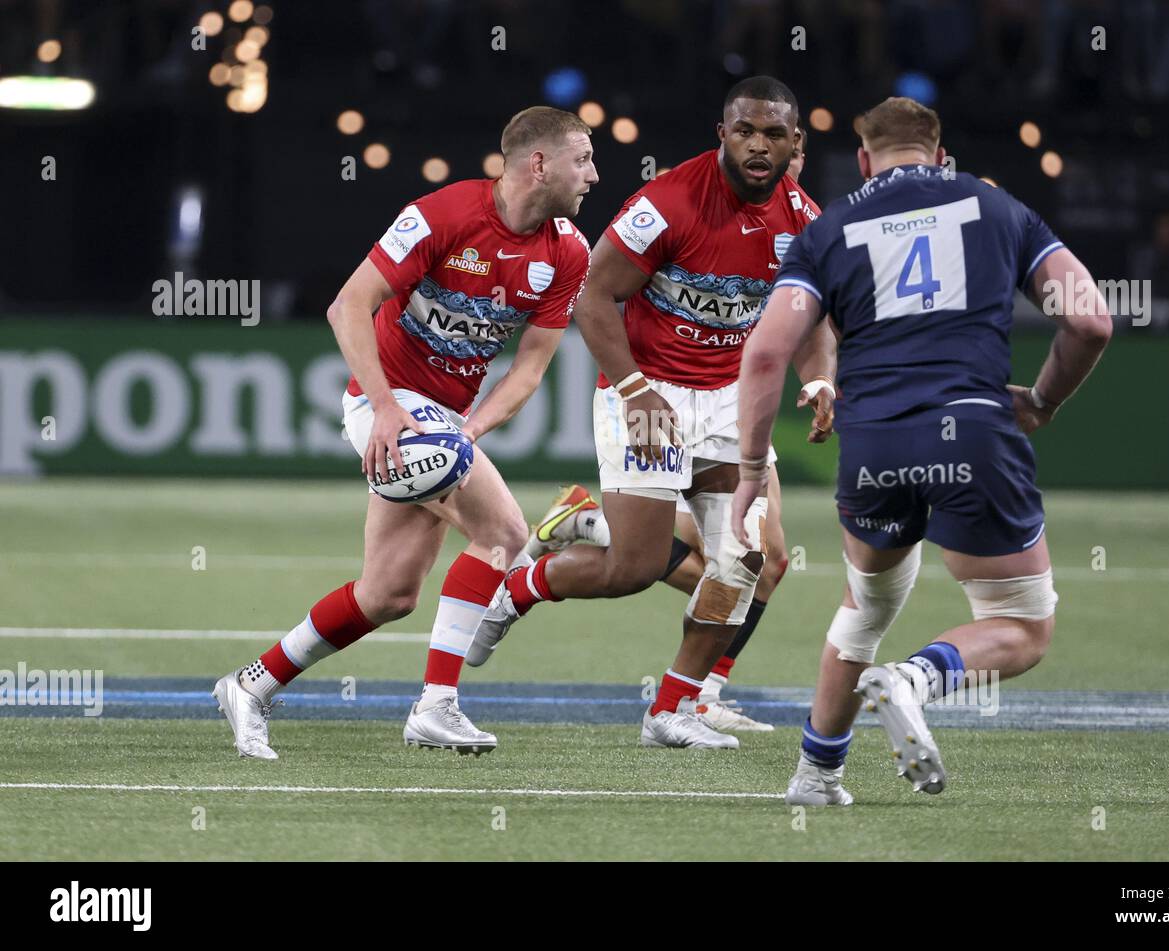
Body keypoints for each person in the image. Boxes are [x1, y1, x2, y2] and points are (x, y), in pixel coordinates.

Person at [731, 96, 1112, 803]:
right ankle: (917, 678)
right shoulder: (998, 208)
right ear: (941, 156)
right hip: (972, 429)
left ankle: (816, 774)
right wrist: (1045, 400)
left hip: (872, 442)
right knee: (1022, 625)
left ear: (866, 159)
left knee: (864, 609)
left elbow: (764, 356)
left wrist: (753, 469)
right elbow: (1090, 320)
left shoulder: (829, 227)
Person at [211, 106, 598, 759]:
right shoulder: (442, 215)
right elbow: (348, 305)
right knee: (502, 532)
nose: (593, 174)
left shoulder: (568, 252)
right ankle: (436, 707)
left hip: (444, 421)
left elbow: (530, 369)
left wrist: (467, 430)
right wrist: (389, 409)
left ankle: (250, 685)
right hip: (385, 404)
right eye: (582, 158)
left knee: (388, 593)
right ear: (540, 164)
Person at [466, 77, 837, 750]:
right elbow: (591, 296)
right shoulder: (667, 202)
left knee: (742, 563)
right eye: (746, 131)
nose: (759, 146)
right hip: (649, 395)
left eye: (774, 134)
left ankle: (673, 706)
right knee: (632, 566)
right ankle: (521, 587)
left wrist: (820, 382)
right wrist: (633, 385)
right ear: (722, 134)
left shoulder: (805, 220)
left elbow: (810, 318)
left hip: (729, 404)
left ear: (796, 143)